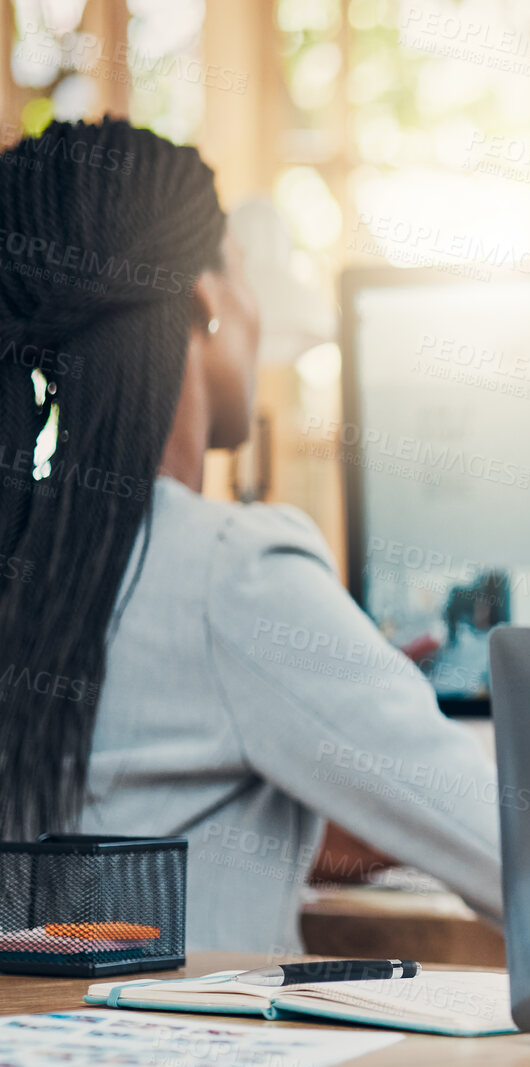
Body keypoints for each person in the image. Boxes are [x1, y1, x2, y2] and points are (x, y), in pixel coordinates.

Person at [0, 118, 500, 952]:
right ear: (207, 304)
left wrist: (313, 825)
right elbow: (519, 859)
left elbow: (109, 836)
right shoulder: (231, 573)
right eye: (242, 274)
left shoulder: (29, 560)